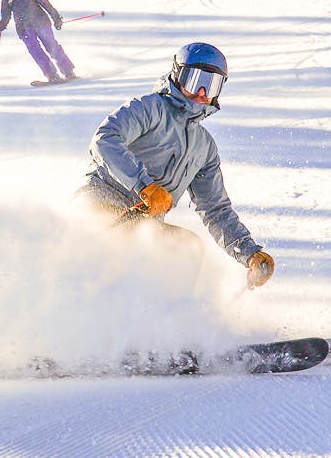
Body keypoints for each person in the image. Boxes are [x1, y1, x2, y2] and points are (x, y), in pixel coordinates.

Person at [77, 42, 276, 290]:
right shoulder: (150, 108)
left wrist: (248, 252)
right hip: (101, 204)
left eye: (211, 85)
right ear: (177, 75)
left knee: (186, 249)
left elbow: (215, 209)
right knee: (120, 251)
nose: (202, 92)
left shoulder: (204, 148)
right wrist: (144, 186)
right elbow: (106, 139)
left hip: (143, 223)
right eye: (195, 80)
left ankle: (170, 319)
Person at [0, 0, 76, 84]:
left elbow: (45, 3)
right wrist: (3, 23)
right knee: (35, 50)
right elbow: (6, 13)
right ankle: (51, 75)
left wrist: (55, 17)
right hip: (24, 28)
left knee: (51, 45)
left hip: (40, 22)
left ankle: (68, 71)